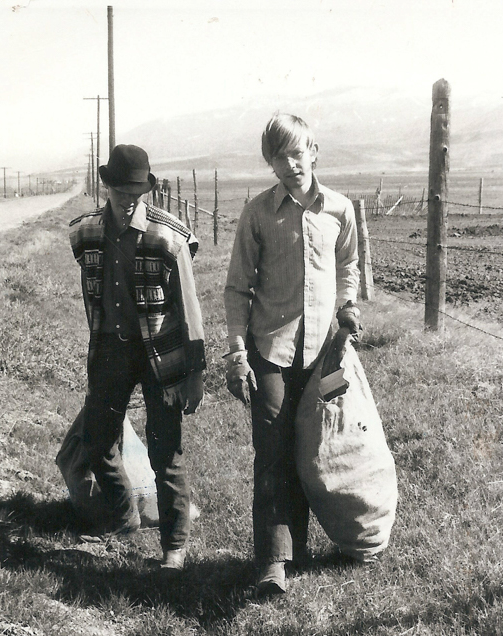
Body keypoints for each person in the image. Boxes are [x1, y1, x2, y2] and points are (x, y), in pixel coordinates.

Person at [223, 114, 360, 595]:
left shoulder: (340, 210)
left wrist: (348, 308)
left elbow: (348, 267)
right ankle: (272, 562)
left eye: (297, 152)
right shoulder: (258, 213)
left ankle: (299, 548)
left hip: (324, 354)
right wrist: (237, 351)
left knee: (314, 449)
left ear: (314, 151)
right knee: (273, 453)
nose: (290, 163)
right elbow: (238, 288)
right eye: (278, 157)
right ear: (269, 163)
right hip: (271, 353)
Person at [69, 144, 206, 570]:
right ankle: (124, 517)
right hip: (111, 349)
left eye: (137, 194)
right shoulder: (86, 232)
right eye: (120, 193)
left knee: (166, 453)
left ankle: (174, 548)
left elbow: (191, 310)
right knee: (96, 441)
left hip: (160, 354)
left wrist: (194, 372)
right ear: (106, 187)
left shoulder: (168, 237)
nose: (129, 202)